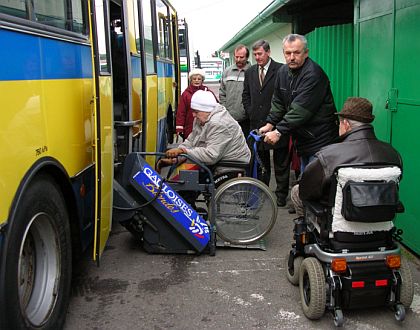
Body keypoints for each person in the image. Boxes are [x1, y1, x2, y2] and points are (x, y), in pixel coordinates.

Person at [290, 97, 403, 218]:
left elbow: (306, 190)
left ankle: (307, 229)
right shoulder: (393, 154)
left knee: (297, 191)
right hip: (381, 226)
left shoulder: (329, 155)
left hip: (339, 226)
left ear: (346, 124)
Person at [260, 34, 339, 172]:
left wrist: (278, 132)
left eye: (296, 52)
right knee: (305, 182)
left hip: (321, 141)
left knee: (314, 186)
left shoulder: (313, 74)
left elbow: (300, 111)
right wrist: (270, 123)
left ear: (306, 53)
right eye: (288, 53)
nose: (291, 57)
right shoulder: (283, 72)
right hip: (303, 140)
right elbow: (278, 101)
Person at [242, 39, 290, 207]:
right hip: (256, 123)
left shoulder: (281, 70)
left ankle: (281, 195)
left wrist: (278, 119)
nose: (257, 57)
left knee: (281, 162)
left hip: (277, 123)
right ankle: (262, 191)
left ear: (268, 52)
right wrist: (251, 111)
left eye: (260, 54)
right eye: (254, 54)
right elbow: (246, 95)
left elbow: (286, 98)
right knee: (261, 161)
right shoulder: (250, 72)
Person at [165, 89, 251, 168]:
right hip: (220, 160)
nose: (193, 115)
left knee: (186, 179)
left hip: (232, 164)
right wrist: (178, 157)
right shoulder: (202, 118)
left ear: (206, 110)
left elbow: (211, 155)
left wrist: (184, 151)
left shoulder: (218, 123)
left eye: (196, 112)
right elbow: (191, 141)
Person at [175, 68, 217, 140]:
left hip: (205, 126)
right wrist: (179, 128)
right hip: (189, 127)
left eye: (199, 79)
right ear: (191, 80)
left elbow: (216, 107)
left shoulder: (208, 93)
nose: (196, 80)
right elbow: (181, 112)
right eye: (194, 79)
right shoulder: (185, 94)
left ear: (202, 80)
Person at [219, 44, 251, 137]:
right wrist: (225, 109)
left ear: (247, 57)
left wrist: (247, 111)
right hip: (228, 117)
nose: (238, 60)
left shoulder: (252, 72)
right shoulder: (227, 71)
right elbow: (222, 92)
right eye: (236, 57)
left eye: (241, 57)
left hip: (246, 119)